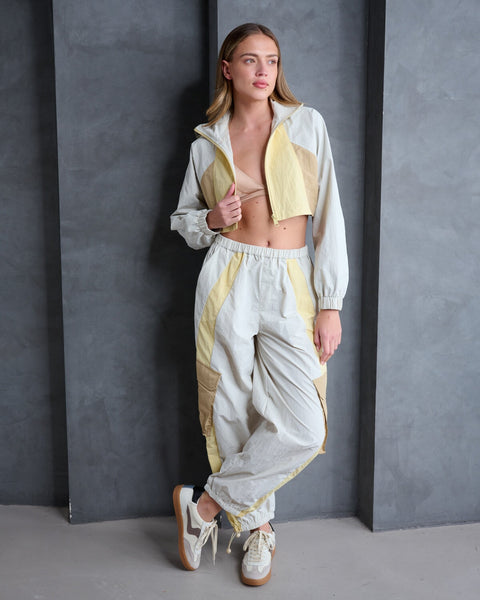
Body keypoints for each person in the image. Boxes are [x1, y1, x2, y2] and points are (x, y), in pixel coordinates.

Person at [170, 23, 348, 586]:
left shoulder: (306, 125)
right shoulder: (207, 143)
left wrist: (330, 302)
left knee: (304, 425)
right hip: (229, 275)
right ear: (228, 69)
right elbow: (183, 222)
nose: (263, 70)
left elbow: (329, 215)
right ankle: (258, 533)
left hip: (291, 277)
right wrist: (210, 219)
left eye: (271, 59)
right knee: (231, 407)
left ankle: (204, 507)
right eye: (249, 60)